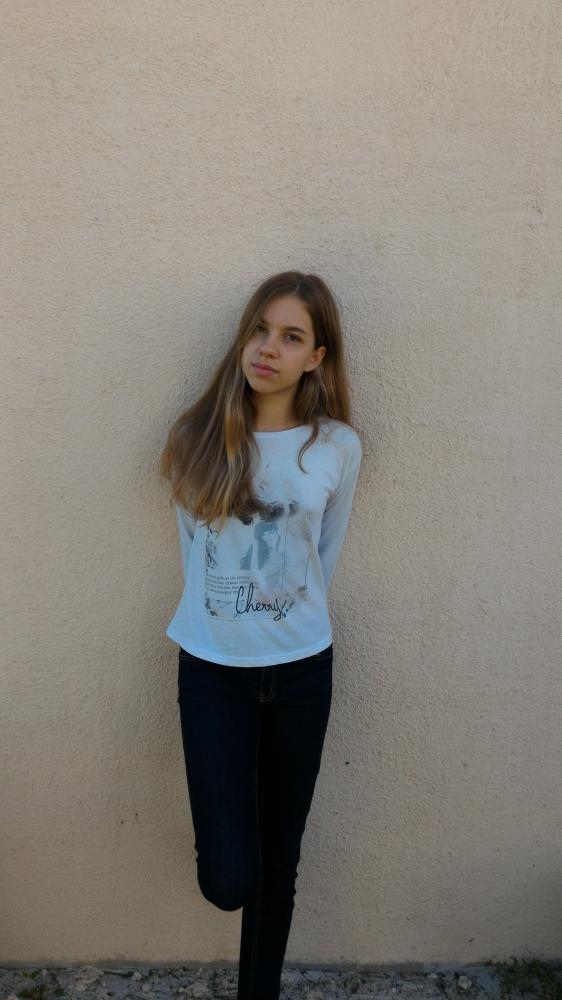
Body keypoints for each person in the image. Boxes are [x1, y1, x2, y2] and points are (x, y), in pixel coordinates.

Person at [159, 270, 362, 999]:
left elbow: (323, 557)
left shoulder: (337, 446)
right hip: (213, 671)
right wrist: (234, 625)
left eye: (291, 337)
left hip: (302, 671)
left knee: (281, 862)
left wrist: (282, 622)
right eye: (260, 330)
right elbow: (193, 553)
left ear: (317, 357)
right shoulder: (198, 438)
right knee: (230, 878)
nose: (268, 348)